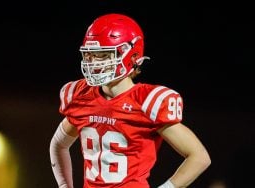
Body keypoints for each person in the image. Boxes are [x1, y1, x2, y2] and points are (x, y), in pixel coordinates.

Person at [49, 13, 211, 188]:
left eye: (103, 55)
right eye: (90, 55)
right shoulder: (82, 96)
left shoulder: (147, 102)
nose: (93, 62)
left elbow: (199, 157)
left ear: (132, 56)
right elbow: (58, 145)